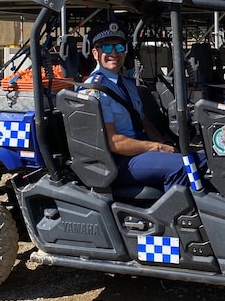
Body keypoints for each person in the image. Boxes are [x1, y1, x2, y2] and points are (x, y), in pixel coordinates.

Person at [80, 22, 206, 192]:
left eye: (119, 47)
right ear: (96, 53)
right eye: (107, 48)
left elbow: (143, 122)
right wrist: (156, 147)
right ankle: (172, 216)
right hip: (118, 160)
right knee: (182, 166)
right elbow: (113, 142)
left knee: (204, 159)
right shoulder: (95, 90)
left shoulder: (127, 84)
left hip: (140, 152)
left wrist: (165, 143)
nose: (115, 53)